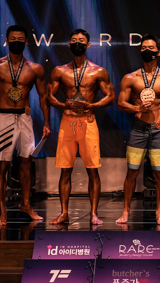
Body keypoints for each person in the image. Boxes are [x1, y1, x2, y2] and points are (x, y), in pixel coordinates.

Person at [0, 24, 51, 227]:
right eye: (13, 39)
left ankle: (26, 204)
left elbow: (43, 97)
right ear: (7, 41)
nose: (16, 42)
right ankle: (2, 212)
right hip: (6, 118)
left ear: (26, 42)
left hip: (25, 118)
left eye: (20, 39)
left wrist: (47, 123)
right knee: (2, 165)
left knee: (26, 162)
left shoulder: (35, 69)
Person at [48, 29, 115, 226]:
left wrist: (92, 105)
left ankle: (94, 213)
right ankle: (64, 213)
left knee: (92, 169)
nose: (78, 43)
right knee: (65, 170)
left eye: (81, 40)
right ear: (69, 45)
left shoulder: (98, 71)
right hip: (67, 121)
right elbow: (49, 95)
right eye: (74, 40)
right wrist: (63, 105)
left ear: (88, 45)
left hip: (88, 121)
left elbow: (110, 96)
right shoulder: (59, 71)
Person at [115, 35, 160, 227]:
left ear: (158, 52)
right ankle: (125, 210)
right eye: (144, 48)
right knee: (131, 171)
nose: (147, 51)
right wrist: (137, 108)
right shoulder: (131, 78)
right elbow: (121, 103)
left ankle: (159, 214)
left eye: (151, 48)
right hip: (138, 129)